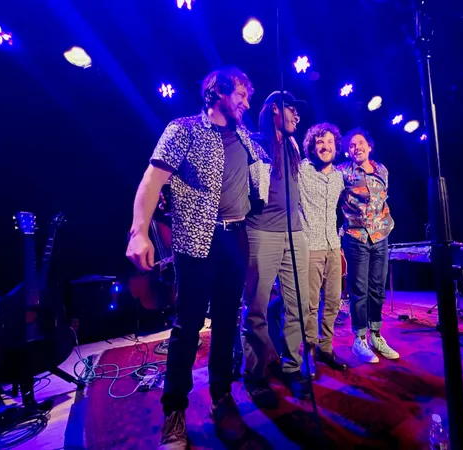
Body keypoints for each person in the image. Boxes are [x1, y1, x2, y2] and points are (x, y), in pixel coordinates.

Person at [126, 66, 268, 449]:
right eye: (241, 94)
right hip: (197, 240)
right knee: (187, 327)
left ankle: (222, 399)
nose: (247, 102)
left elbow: (268, 183)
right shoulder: (184, 129)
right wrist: (139, 231)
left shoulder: (248, 139)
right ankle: (174, 411)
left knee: (226, 323)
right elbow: (152, 180)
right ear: (219, 91)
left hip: (237, 238)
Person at [241, 91, 311, 407]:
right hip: (261, 232)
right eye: (291, 109)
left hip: (295, 233)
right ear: (273, 111)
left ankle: (292, 366)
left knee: (299, 305)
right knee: (256, 307)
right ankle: (255, 374)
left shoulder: (294, 146)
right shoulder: (255, 143)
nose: (297, 115)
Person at [337, 128, 400, 364]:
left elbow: (383, 199)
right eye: (352, 145)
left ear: (369, 146)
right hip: (356, 237)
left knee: (377, 288)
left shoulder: (382, 169)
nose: (357, 148)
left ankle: (376, 335)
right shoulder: (343, 172)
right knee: (359, 290)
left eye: (360, 143)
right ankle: (360, 339)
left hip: (380, 235)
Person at [298, 123, 348, 377]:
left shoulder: (340, 176)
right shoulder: (301, 170)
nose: (325, 146)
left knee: (334, 301)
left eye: (329, 142)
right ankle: (308, 351)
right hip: (310, 246)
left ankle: (325, 348)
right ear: (312, 146)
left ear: (336, 146)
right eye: (319, 142)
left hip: (333, 246)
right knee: (310, 304)